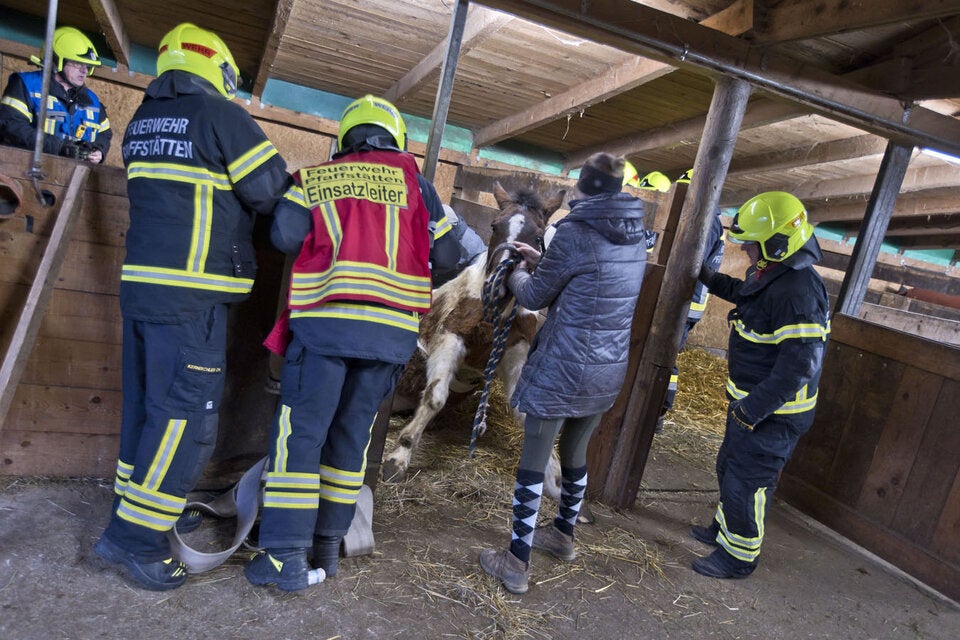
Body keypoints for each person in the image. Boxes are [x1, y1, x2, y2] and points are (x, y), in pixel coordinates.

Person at [93, 23, 291, 591]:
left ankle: (124, 525)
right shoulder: (220, 116)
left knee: (147, 416)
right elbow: (271, 189)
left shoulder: (142, 120)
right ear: (217, 69)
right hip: (192, 296)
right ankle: (139, 543)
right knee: (185, 423)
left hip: (143, 292)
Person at [245, 94, 460, 592]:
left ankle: (284, 559)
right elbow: (448, 254)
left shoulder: (315, 178)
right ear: (397, 140)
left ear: (343, 139)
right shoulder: (420, 187)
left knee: (301, 438)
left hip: (323, 331)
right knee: (350, 439)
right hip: (388, 340)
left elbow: (284, 237)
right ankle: (328, 551)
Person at [478, 152, 647, 594]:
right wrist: (545, 256)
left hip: (564, 363)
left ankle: (515, 560)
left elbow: (534, 296)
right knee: (575, 449)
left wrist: (516, 269)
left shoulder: (575, 230)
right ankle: (563, 536)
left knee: (534, 458)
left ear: (583, 189)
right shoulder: (634, 235)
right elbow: (593, 278)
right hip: (606, 367)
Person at [690, 191, 830, 579]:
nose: (748, 253)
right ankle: (725, 532)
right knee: (729, 468)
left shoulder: (798, 293)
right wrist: (708, 277)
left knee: (746, 483)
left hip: (773, 414)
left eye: (752, 246)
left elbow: (800, 366)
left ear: (777, 243)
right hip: (752, 406)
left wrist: (752, 410)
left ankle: (739, 558)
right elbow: (745, 294)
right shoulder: (773, 273)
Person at [657, 169, 726, 432]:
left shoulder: (705, 222)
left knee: (664, 356)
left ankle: (659, 409)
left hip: (684, 303)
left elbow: (689, 263)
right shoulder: (708, 220)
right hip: (687, 303)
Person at [0, 26, 111, 163]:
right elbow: (11, 126)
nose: (84, 71)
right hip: (26, 172)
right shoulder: (26, 86)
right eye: (78, 63)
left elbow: (104, 134)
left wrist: (99, 150)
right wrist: (58, 146)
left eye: (88, 66)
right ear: (57, 61)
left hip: (73, 179)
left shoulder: (92, 101)